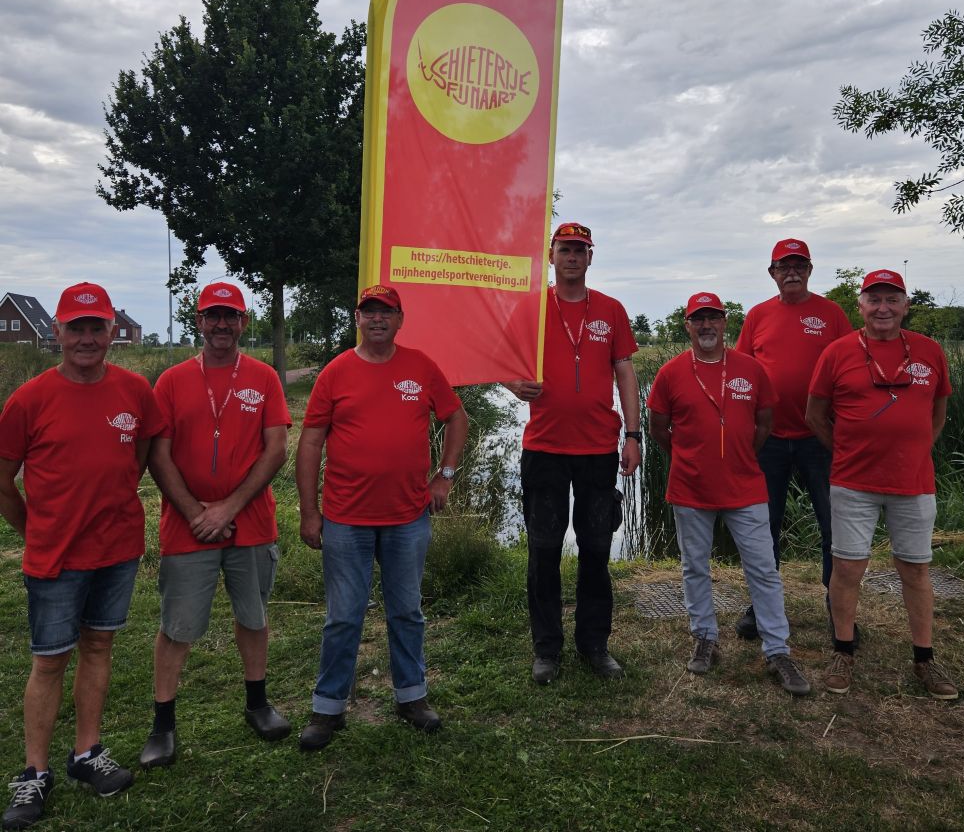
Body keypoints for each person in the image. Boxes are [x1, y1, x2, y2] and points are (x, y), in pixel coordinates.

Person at [0, 282, 164, 830]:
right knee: (49, 661)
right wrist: (36, 529)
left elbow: (138, 455)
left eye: (98, 327)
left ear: (112, 331)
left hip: (116, 548)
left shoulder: (137, 391)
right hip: (54, 557)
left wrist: (110, 501)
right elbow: (3, 481)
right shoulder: (29, 400)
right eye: (78, 327)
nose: (88, 338)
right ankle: (33, 774)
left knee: (98, 646)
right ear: (58, 331)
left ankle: (86, 754)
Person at [297, 284, 468, 748]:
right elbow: (311, 441)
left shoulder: (421, 366)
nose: (377, 319)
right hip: (346, 519)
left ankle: (411, 697)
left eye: (386, 312)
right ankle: (328, 709)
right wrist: (310, 511)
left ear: (400, 319)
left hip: (407, 517)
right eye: (369, 311)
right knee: (343, 617)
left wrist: (444, 475)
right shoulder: (335, 372)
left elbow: (456, 417)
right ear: (357, 318)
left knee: (407, 611)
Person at [138, 282, 292, 768]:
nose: (221, 324)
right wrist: (195, 512)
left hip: (252, 523)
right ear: (199, 322)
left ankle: (257, 704)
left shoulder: (265, 378)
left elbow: (276, 449)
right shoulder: (171, 381)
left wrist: (227, 508)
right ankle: (163, 725)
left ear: (244, 322)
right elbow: (157, 456)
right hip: (187, 528)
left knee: (253, 617)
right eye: (212, 316)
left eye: (231, 316)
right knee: (177, 627)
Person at [647, 292, 811, 696]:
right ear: (687, 326)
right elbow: (657, 428)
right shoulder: (670, 373)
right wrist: (689, 458)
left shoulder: (750, 369)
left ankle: (777, 650)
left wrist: (738, 456)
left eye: (713, 319)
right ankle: (705, 636)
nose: (706, 326)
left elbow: (765, 421)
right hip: (690, 487)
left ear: (725, 324)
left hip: (745, 486)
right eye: (698, 319)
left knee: (763, 568)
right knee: (694, 566)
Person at [805, 269, 957, 699]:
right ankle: (843, 650)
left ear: (906, 305)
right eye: (875, 299)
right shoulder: (837, 352)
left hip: (914, 482)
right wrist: (846, 452)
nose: (883, 308)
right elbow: (814, 415)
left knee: (915, 569)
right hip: (853, 482)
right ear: (861, 305)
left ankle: (925, 659)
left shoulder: (930, 352)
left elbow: (938, 412)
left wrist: (914, 451)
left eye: (892, 299)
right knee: (848, 568)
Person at [505, 222, 641, 685]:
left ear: (590, 257)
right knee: (543, 551)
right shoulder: (531, 307)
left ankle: (595, 646)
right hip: (544, 448)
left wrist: (634, 435)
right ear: (551, 254)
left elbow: (624, 371)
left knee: (596, 550)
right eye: (565, 249)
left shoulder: (611, 310)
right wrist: (513, 384)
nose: (572, 257)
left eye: (580, 250)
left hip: (598, 448)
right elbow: (502, 359)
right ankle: (547, 650)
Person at [733, 238, 853, 641]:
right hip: (768, 439)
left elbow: (850, 369)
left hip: (819, 438)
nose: (791, 272)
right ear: (771, 273)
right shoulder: (757, 316)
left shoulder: (832, 314)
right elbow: (741, 373)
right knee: (762, 526)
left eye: (799, 265)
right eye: (783, 266)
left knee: (832, 523)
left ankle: (838, 607)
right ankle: (761, 605)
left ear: (810, 270)